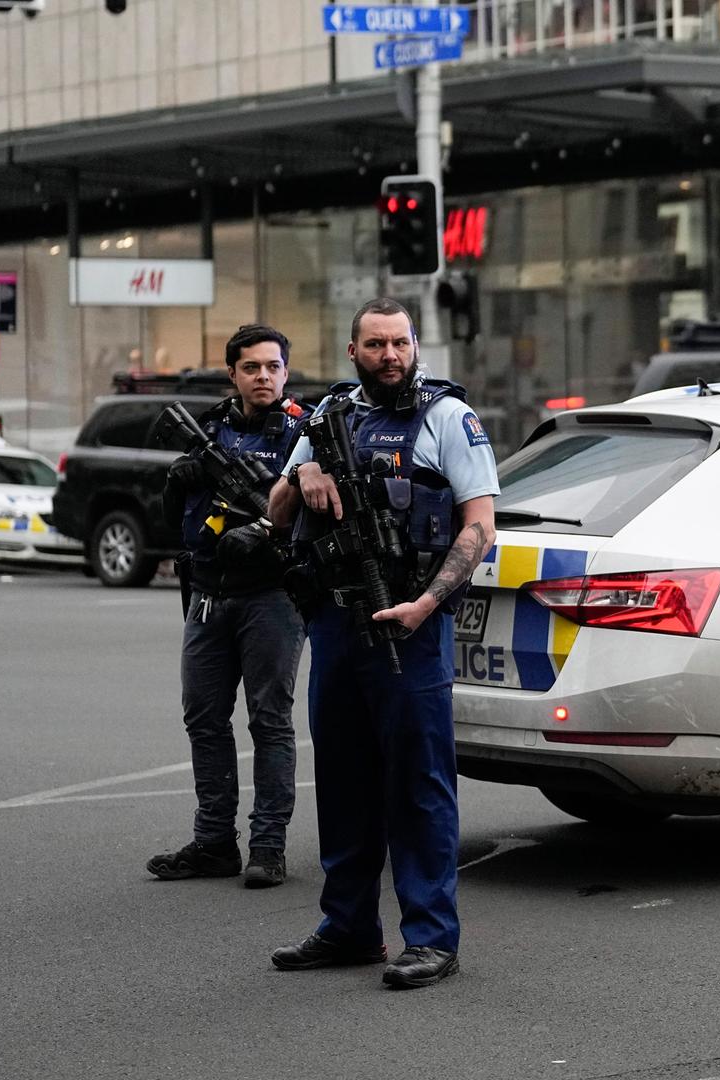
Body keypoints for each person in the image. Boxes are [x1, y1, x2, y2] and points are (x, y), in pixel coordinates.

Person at [267, 298, 498, 990]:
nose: (390, 356)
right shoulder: (327, 416)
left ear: (415, 346)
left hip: (412, 624)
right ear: (353, 352)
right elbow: (275, 513)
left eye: (400, 343)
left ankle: (430, 938)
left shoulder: (448, 418)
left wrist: (428, 603)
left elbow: (480, 526)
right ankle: (348, 927)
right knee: (341, 780)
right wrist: (299, 473)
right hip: (336, 624)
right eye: (375, 345)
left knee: (419, 786)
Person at [146, 324, 308, 889]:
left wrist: (266, 529)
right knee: (204, 719)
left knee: (269, 721)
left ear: (285, 371)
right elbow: (176, 519)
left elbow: (322, 510)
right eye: (251, 368)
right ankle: (214, 842)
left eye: (272, 366)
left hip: (272, 595)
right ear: (233, 374)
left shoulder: (305, 433)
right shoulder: (210, 430)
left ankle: (268, 846)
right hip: (210, 592)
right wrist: (178, 480)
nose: (262, 376)